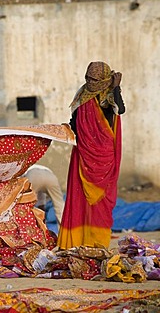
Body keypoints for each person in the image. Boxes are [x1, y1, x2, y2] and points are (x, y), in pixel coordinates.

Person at [57, 61, 125, 250]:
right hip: (82, 155)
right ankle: (76, 243)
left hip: (103, 158)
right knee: (79, 198)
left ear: (103, 79)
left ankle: (97, 244)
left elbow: (120, 110)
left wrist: (116, 87)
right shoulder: (82, 95)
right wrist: (65, 130)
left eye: (94, 79)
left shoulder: (109, 96)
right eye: (87, 78)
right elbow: (74, 121)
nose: (90, 82)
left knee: (100, 204)